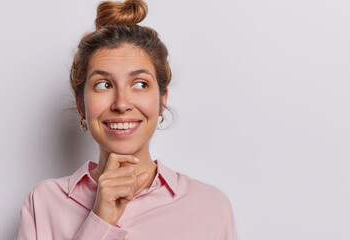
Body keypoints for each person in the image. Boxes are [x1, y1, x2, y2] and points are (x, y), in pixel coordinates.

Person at [14, 0, 237, 239]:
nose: (121, 104)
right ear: (81, 104)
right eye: (104, 85)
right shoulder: (44, 203)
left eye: (140, 84)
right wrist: (100, 219)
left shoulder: (210, 207)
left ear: (162, 100)